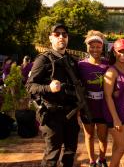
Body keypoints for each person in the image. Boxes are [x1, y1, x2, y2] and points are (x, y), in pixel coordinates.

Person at [26, 23, 80, 167]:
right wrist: (48, 88)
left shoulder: (72, 60)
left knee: (70, 151)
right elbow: (30, 86)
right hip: (51, 114)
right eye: (57, 34)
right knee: (52, 154)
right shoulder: (43, 59)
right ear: (50, 38)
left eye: (64, 34)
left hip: (71, 113)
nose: (61, 37)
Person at [103, 39, 124, 167]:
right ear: (115, 53)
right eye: (120, 51)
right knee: (123, 147)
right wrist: (115, 119)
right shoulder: (112, 72)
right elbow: (107, 96)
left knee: (117, 146)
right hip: (115, 116)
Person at [78, 30, 109, 167]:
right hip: (87, 108)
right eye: (92, 46)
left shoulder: (108, 65)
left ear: (102, 47)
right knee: (89, 136)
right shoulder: (81, 65)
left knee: (102, 137)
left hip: (103, 108)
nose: (95, 49)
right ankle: (92, 161)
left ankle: (102, 160)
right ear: (87, 47)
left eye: (98, 46)